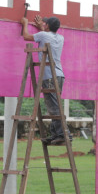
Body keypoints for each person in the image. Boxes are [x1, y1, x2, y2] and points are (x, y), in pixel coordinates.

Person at [21, 15, 69, 145]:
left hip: (49, 76)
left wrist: (25, 23)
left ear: (47, 26)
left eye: (45, 23)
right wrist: (41, 28)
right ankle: (56, 134)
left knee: (53, 108)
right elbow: (47, 35)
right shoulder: (60, 37)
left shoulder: (43, 35)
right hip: (59, 75)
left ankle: (63, 135)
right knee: (55, 105)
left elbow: (26, 36)